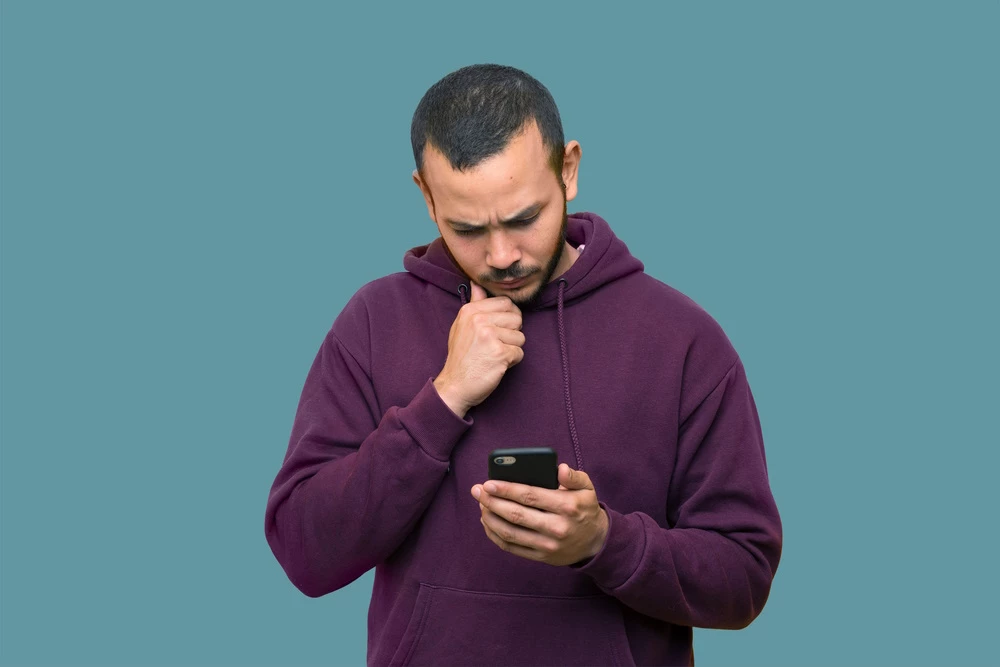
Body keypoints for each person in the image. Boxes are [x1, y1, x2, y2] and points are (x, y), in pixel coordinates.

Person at [264, 63, 782, 667]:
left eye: (524, 218)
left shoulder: (683, 339)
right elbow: (305, 554)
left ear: (569, 169)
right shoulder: (374, 323)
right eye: (467, 228)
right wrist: (444, 399)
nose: (502, 255)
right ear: (427, 197)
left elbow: (743, 580)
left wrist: (604, 542)